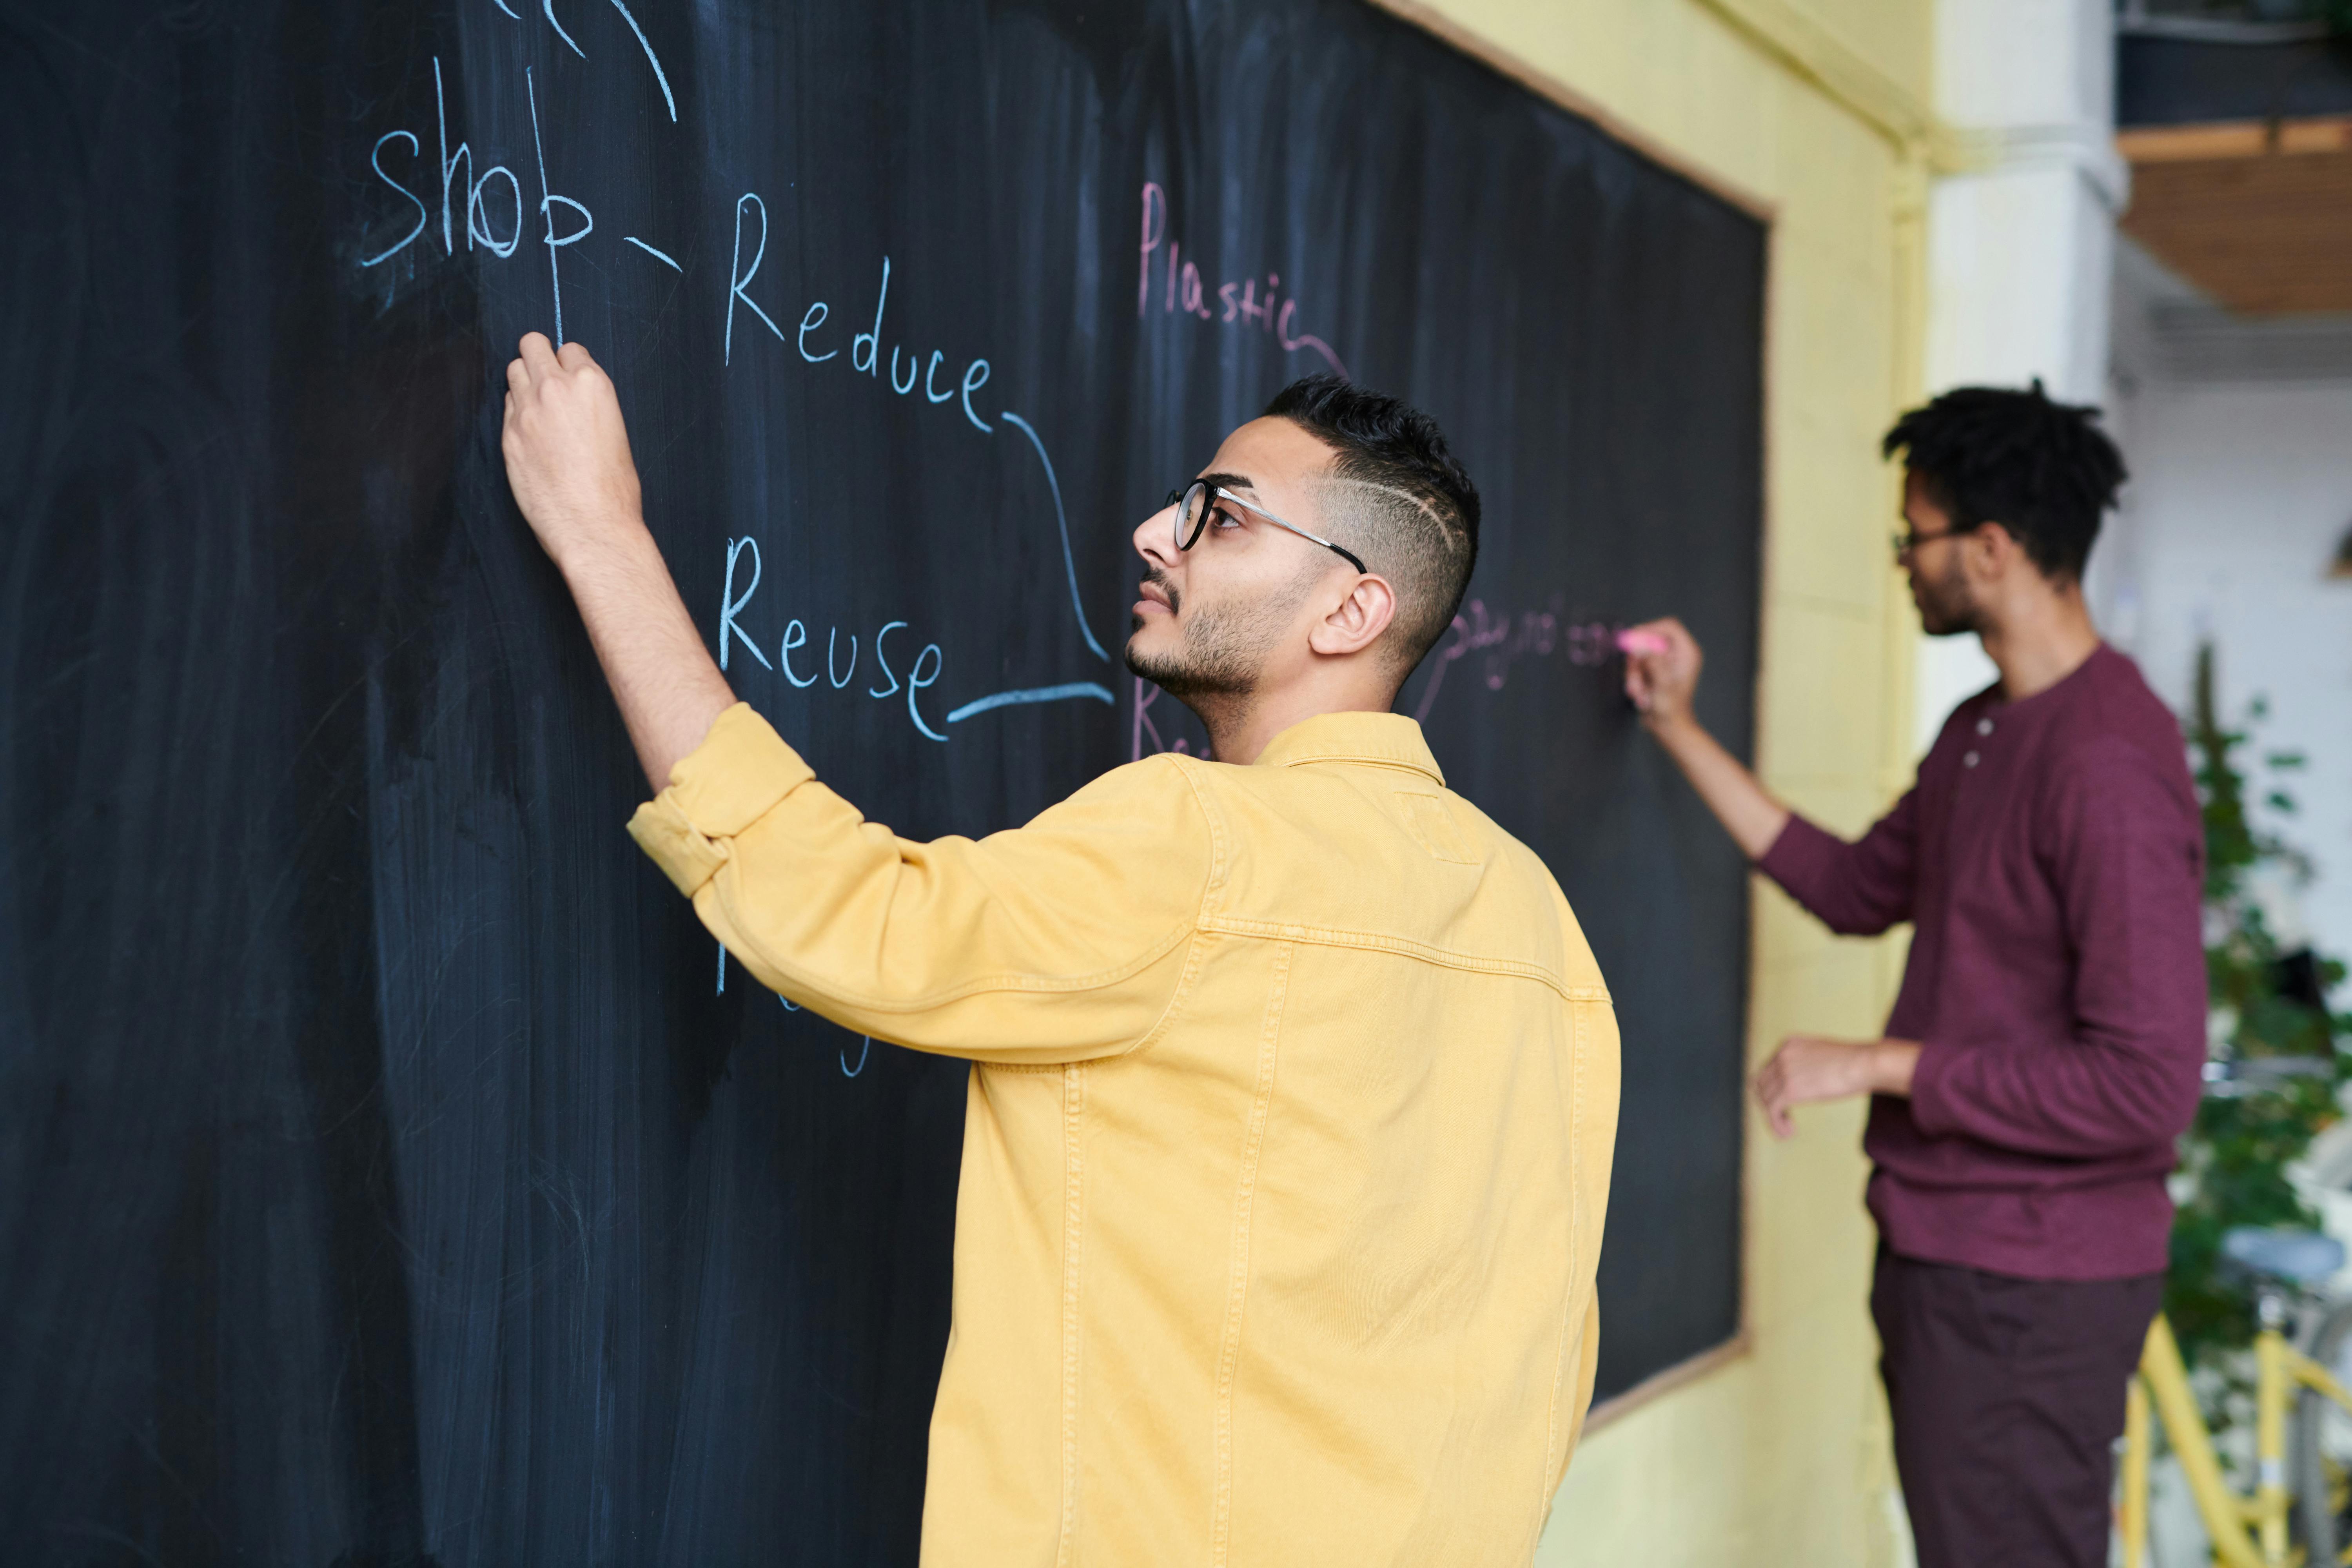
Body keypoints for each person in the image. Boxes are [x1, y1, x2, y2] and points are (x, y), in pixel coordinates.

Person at [498, 333, 1619, 1565]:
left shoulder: (1200, 837)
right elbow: (1550, 1349)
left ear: (1355, 609)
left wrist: (604, 536)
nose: (1154, 531)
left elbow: (854, 919)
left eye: (1220, 519)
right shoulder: (1544, 928)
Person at [1623, 383, 2204, 1568]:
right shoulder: (1986, 730)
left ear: (1989, 552)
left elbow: (2147, 1087)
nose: (1902, 560)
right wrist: (1678, 725)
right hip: (1952, 1255)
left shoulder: (2105, 764)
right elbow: (1850, 889)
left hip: (2026, 1285)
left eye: (1915, 535)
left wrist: (1882, 1062)